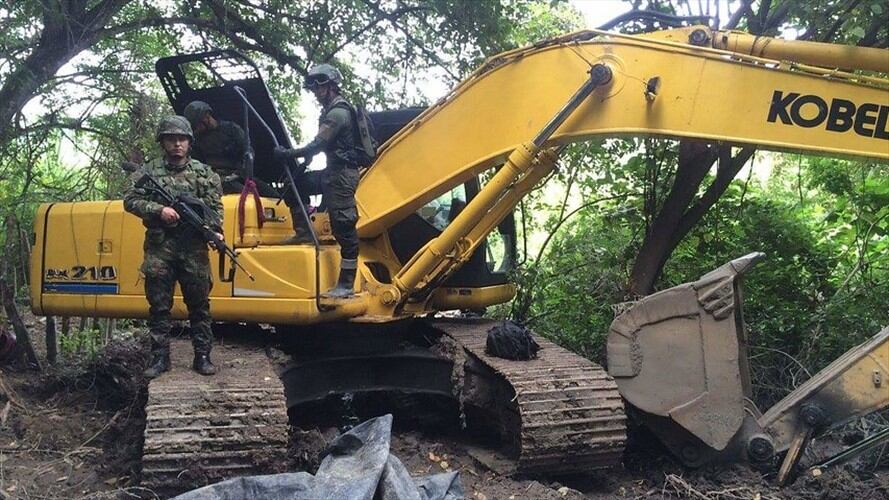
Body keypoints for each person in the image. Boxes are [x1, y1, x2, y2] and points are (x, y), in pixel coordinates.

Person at [124, 115, 224, 378]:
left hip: (194, 249)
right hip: (161, 248)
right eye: (171, 139)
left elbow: (215, 212)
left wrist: (214, 231)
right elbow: (130, 201)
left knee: (199, 306)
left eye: (182, 139)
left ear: (189, 142)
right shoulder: (149, 172)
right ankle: (160, 359)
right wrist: (160, 210)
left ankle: (202, 357)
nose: (177, 144)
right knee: (158, 307)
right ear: (163, 142)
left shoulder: (205, 174)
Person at [273, 64, 362, 298]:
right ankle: (303, 232)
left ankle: (346, 283)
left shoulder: (338, 113)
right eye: (312, 87)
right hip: (332, 171)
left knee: (343, 225)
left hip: (342, 175)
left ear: (331, 85)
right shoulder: (331, 110)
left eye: (318, 86)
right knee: (295, 186)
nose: (315, 91)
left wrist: (288, 154)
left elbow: (318, 144)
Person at [183, 100, 278, 197]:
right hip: (220, 180)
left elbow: (247, 149)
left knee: (274, 197)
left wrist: (246, 165)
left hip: (241, 174)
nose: (197, 128)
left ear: (206, 117)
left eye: (197, 124)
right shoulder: (196, 141)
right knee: (249, 197)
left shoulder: (231, 129)